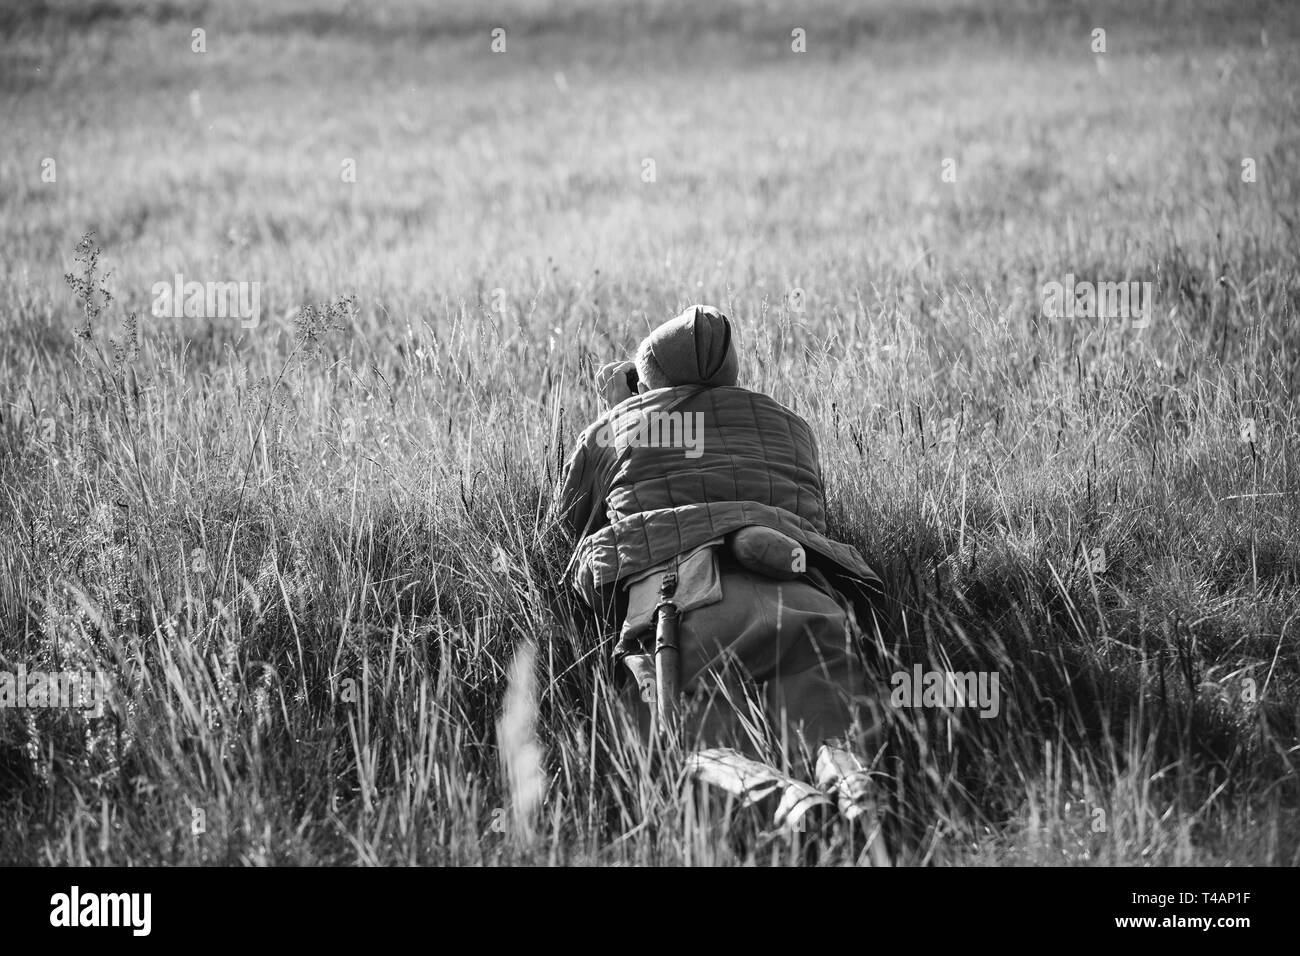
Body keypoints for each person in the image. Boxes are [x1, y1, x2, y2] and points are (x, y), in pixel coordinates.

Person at [555, 305, 888, 826]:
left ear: (645, 379)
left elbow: (561, 528)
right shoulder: (792, 428)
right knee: (832, 725)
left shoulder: (617, 426)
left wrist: (624, 411)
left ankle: (791, 811)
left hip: (683, 609)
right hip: (801, 594)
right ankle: (858, 795)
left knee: (684, 747)